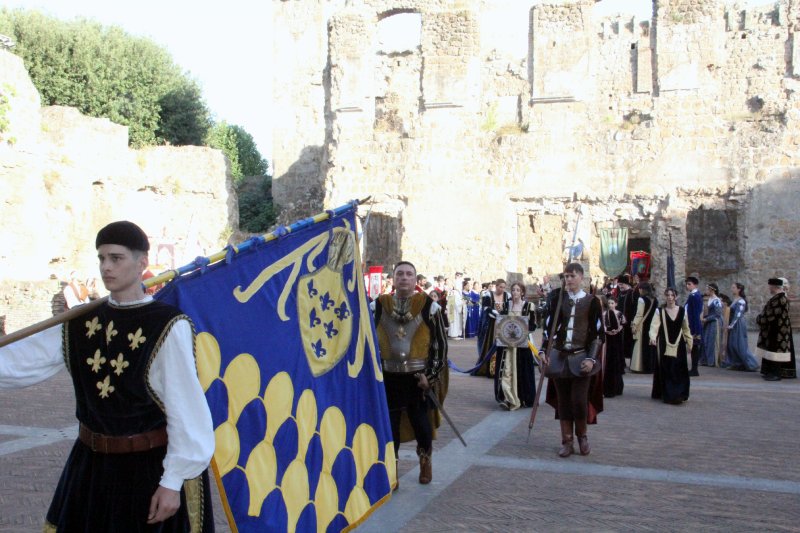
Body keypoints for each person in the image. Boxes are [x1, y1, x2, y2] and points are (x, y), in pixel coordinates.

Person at [0, 221, 215, 531]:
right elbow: (23, 361)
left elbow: (186, 409)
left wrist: (173, 481)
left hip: (147, 468)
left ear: (142, 263)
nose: (106, 267)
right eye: (101, 258)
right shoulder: (79, 321)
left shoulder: (166, 325)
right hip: (90, 465)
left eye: (116, 258)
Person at [373, 261, 448, 485]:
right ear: (393, 279)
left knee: (421, 424)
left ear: (415, 280)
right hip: (389, 376)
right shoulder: (377, 305)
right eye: (400, 274)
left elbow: (440, 347)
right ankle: (391, 470)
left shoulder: (429, 307)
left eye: (408, 274)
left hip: (418, 378)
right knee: (390, 424)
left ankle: (425, 463)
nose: (404, 278)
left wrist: (431, 375)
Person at [542, 263, 603, 458]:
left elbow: (598, 334)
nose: (568, 280)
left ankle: (582, 436)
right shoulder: (558, 300)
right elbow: (549, 328)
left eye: (572, 276)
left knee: (579, 401)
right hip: (560, 358)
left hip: (581, 358)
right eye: (566, 276)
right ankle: (566, 441)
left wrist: (592, 359)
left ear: (581, 277)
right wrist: (544, 351)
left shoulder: (592, 302)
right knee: (564, 402)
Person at [494, 282, 537, 410]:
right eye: (513, 290)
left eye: (518, 290)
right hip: (507, 345)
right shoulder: (507, 305)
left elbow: (533, 325)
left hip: (522, 345)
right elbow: (502, 322)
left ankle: (521, 397)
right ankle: (507, 398)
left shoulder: (529, 306)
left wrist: (523, 329)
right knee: (507, 370)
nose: (515, 292)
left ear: (522, 292)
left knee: (521, 370)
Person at [649, 287, 692, 404]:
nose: (670, 298)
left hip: (679, 344)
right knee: (667, 368)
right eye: (667, 295)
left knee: (679, 368)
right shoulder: (660, 311)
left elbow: (686, 328)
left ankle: (680, 393)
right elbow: (654, 326)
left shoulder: (682, 311)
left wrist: (690, 341)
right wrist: (652, 337)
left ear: (676, 297)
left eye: (672, 295)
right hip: (664, 343)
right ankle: (669, 394)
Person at [756, 277, 797, 381]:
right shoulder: (776, 298)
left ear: (775, 287)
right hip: (773, 328)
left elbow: (772, 313)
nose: (769, 288)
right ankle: (771, 371)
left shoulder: (781, 299)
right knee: (771, 350)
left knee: (776, 352)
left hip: (779, 330)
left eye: (770, 286)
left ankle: (776, 374)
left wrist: (760, 318)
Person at [472, 278, 509, 377]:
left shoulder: (507, 296)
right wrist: (496, 314)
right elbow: (486, 308)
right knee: (490, 345)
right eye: (500, 287)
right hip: (492, 325)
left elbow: (509, 308)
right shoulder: (488, 295)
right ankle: (489, 368)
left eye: (504, 287)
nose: (502, 289)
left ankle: (501, 368)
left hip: (502, 324)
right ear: (496, 286)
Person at [722, 283, 759, 371]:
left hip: (738, 324)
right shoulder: (735, 300)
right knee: (731, 344)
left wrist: (731, 325)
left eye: (734, 287)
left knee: (739, 344)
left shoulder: (741, 301)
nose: (732, 289)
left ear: (739, 289)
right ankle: (737, 363)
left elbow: (738, 314)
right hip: (733, 324)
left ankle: (751, 364)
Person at [630, 282, 658, 373]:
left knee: (641, 346)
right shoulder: (655, 299)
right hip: (652, 324)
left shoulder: (641, 299)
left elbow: (639, 314)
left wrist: (634, 324)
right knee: (651, 346)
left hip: (643, 325)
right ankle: (651, 366)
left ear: (642, 289)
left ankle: (640, 366)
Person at [602, 296, 626, 398]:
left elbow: (622, 323)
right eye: (609, 303)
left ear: (616, 304)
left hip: (616, 339)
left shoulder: (619, 313)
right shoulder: (604, 314)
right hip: (608, 339)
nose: (611, 305)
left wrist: (617, 330)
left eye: (612, 303)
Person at [616, 274, 637, 368]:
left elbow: (636, 308)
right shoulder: (620, 293)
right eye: (619, 284)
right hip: (620, 323)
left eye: (621, 284)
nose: (620, 286)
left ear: (626, 284)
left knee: (630, 343)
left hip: (629, 323)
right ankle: (622, 362)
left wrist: (633, 321)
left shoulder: (632, 293)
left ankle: (632, 363)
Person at [700, 282, 723, 367]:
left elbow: (718, 314)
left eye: (707, 289)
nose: (706, 290)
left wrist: (706, 319)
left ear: (712, 290)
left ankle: (712, 361)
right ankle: (705, 360)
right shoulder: (709, 299)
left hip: (714, 323)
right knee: (706, 340)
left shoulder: (717, 300)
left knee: (712, 342)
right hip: (708, 322)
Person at [684, 276, 704, 376]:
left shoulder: (694, 296)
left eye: (690, 284)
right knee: (693, 348)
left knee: (694, 348)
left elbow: (696, 314)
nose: (688, 286)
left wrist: (695, 330)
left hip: (693, 326)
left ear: (695, 285)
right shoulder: (694, 295)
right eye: (687, 284)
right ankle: (693, 368)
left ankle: (694, 369)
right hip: (692, 324)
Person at [447, 274, 465, 339]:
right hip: (455, 311)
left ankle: (455, 333)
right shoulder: (455, 292)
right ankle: (454, 334)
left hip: (455, 310)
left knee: (455, 322)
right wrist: (462, 303)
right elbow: (456, 302)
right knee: (454, 322)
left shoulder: (456, 292)